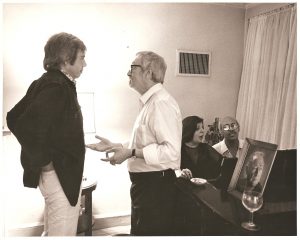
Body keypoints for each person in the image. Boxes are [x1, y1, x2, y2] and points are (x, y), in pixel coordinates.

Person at [86, 51, 182, 236]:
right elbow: (145, 142)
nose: (128, 73)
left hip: (156, 188)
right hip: (147, 187)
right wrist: (117, 146)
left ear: (148, 73)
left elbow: (171, 152)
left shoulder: (160, 103)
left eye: (132, 68)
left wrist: (130, 153)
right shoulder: (151, 102)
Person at [6, 32, 87, 236]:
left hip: (58, 176)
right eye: (82, 58)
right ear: (66, 59)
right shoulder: (57, 86)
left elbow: (14, 117)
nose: (85, 64)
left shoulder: (48, 81)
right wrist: (46, 162)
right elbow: (22, 123)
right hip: (60, 176)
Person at [175, 115, 223, 235]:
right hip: (183, 194)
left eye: (202, 127)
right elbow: (170, 169)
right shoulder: (177, 149)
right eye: (198, 129)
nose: (203, 131)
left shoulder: (206, 148)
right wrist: (180, 173)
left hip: (205, 193)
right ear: (189, 131)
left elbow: (223, 164)